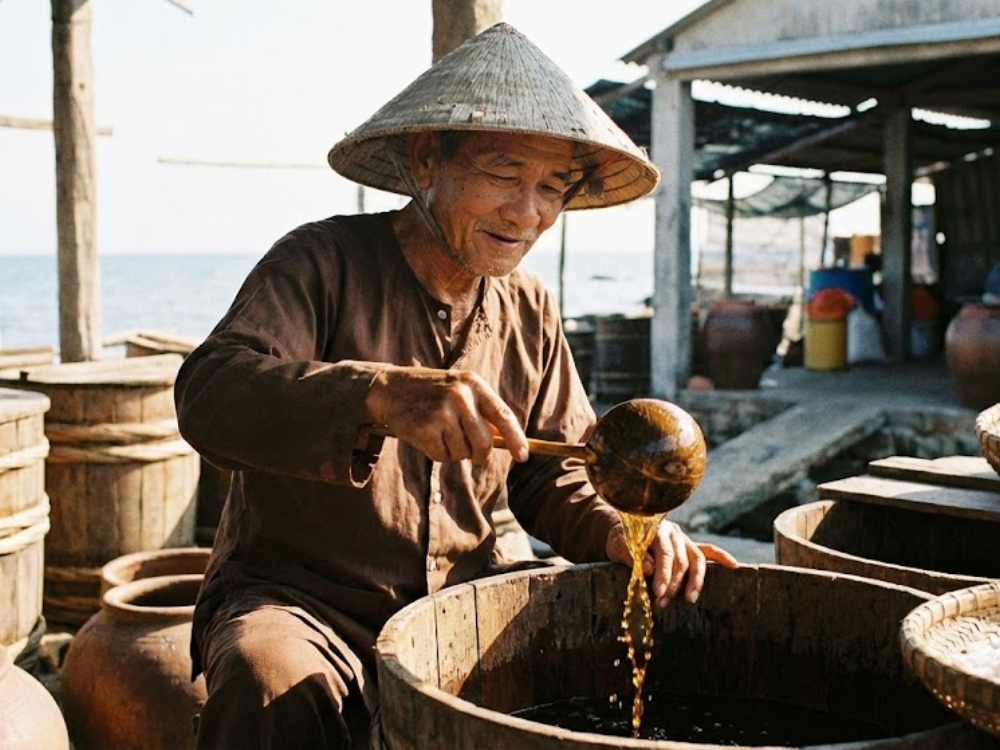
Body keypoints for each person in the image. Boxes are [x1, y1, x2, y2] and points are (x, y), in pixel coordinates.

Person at [175, 22, 738, 750]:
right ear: (425, 158)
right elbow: (209, 395)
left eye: (551, 188)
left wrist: (622, 533)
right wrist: (376, 395)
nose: (526, 213)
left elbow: (556, 472)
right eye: (503, 174)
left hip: (465, 600)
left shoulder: (529, 307)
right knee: (268, 680)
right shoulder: (321, 262)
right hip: (304, 603)